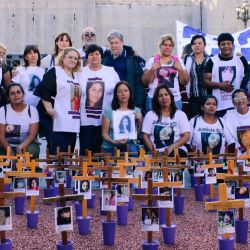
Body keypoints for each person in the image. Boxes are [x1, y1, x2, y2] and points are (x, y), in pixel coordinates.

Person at [34, 47, 82, 154]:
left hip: (72, 120)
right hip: (57, 118)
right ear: (63, 58)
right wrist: (49, 108)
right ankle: (53, 171)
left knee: (69, 151)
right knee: (57, 151)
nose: (73, 60)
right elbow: (44, 89)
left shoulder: (77, 76)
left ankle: (67, 170)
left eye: (75, 58)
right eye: (70, 57)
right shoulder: (55, 71)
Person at [79, 44, 119, 155]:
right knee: (86, 154)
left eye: (97, 54)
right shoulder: (80, 72)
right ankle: (86, 172)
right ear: (87, 57)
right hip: (86, 120)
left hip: (105, 120)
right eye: (91, 54)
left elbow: (119, 92)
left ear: (101, 56)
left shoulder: (110, 72)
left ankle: (102, 173)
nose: (94, 56)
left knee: (103, 154)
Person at [203, 32, 249, 117]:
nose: (226, 46)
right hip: (219, 106)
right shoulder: (212, 61)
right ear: (219, 46)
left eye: (229, 43)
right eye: (223, 44)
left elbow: (247, 80)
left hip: (238, 105)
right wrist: (220, 85)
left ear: (233, 45)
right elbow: (205, 82)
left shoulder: (241, 60)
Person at [142, 34, 189, 111]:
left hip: (174, 100)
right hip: (154, 99)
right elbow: (144, 82)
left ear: (172, 47)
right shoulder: (152, 60)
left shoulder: (178, 61)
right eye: (165, 44)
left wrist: (180, 69)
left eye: (170, 45)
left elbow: (185, 81)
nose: (167, 47)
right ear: (160, 46)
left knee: (174, 122)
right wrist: (152, 69)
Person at [102, 30, 145, 109]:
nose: (114, 45)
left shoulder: (132, 59)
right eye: (111, 43)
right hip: (108, 103)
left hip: (127, 103)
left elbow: (139, 84)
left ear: (122, 43)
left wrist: (137, 106)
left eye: (116, 43)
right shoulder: (105, 60)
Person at [142, 85, 190, 156]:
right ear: (157, 100)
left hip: (176, 150)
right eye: (160, 96)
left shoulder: (180, 114)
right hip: (156, 152)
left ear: (171, 97)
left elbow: (186, 136)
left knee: (177, 154)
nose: (164, 97)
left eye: (166, 94)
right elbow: (145, 136)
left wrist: (172, 147)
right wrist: (153, 151)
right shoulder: (150, 115)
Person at [0, 83, 39, 157]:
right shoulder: (3, 110)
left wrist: (19, 148)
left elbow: (32, 135)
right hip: (7, 145)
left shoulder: (32, 110)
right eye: (12, 93)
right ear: (8, 97)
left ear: (23, 95)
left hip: (26, 145)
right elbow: (1, 136)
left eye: (18, 92)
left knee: (32, 150)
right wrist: (10, 152)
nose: (16, 95)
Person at [102, 81, 142, 154]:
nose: (123, 94)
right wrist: (114, 142)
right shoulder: (109, 110)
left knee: (132, 152)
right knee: (112, 163)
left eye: (126, 91)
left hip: (129, 144)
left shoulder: (136, 110)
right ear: (116, 94)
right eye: (119, 92)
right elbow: (104, 133)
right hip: (111, 145)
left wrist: (139, 121)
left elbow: (137, 135)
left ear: (130, 93)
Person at [184, 35, 210, 118]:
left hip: (208, 98)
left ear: (204, 45)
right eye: (194, 44)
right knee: (193, 122)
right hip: (193, 98)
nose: (197, 45)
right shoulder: (186, 59)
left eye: (200, 43)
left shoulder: (211, 59)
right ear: (191, 46)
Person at [224, 89, 250, 155]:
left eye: (243, 98)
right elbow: (228, 138)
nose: (240, 100)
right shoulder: (228, 116)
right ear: (233, 102)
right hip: (237, 154)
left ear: (247, 100)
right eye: (237, 99)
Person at [0, 43, 11, 107]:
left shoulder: (4, 67)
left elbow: (8, 85)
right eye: (0, 52)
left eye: (4, 53)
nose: (2, 54)